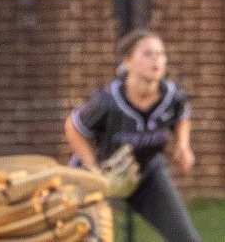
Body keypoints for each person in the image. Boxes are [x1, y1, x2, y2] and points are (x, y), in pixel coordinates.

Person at [65, 29, 202, 242]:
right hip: (99, 176)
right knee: (85, 238)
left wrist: (182, 144)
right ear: (127, 60)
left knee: (186, 239)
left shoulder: (173, 96)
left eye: (160, 54)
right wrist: (93, 168)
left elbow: (182, 115)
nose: (156, 60)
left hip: (145, 174)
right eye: (148, 54)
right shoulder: (108, 102)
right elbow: (74, 126)